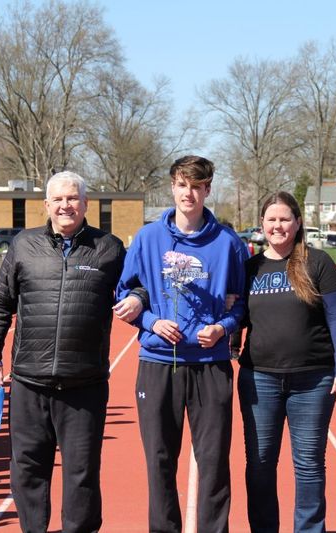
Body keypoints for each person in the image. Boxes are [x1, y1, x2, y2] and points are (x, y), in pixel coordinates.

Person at [0, 171, 126, 532]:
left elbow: (135, 290)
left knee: (82, 472)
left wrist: (138, 297)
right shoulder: (23, 246)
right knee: (27, 469)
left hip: (85, 384)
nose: (65, 205)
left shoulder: (109, 247)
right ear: (46, 205)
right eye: (58, 199)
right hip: (30, 381)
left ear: (85, 204)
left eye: (73, 198)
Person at [116, 155, 247, 532]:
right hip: (158, 363)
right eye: (181, 184)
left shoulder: (228, 243)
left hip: (210, 364)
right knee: (159, 459)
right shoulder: (147, 239)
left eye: (197, 185)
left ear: (207, 189)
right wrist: (152, 322)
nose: (188, 193)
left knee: (213, 460)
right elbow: (125, 295)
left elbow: (241, 306)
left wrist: (222, 327)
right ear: (171, 187)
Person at [238, 191, 336, 532]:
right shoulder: (249, 268)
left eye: (285, 219)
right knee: (259, 464)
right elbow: (235, 315)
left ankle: (309, 529)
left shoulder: (318, 263)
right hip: (259, 380)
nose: (278, 226)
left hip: (313, 381)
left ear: (298, 223)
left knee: (309, 464)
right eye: (271, 219)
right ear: (262, 224)